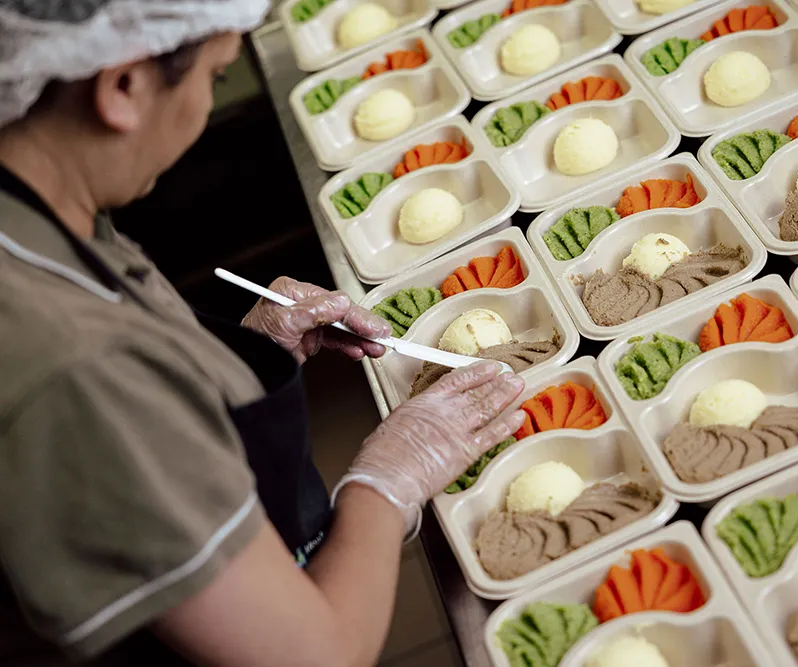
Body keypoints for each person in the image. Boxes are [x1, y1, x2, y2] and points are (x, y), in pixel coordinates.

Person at [0, 2, 527, 665]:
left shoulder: (34, 203)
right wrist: (390, 477)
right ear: (123, 86)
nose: (205, 102)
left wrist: (239, 356)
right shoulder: (72, 365)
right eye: (216, 75)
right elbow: (316, 653)